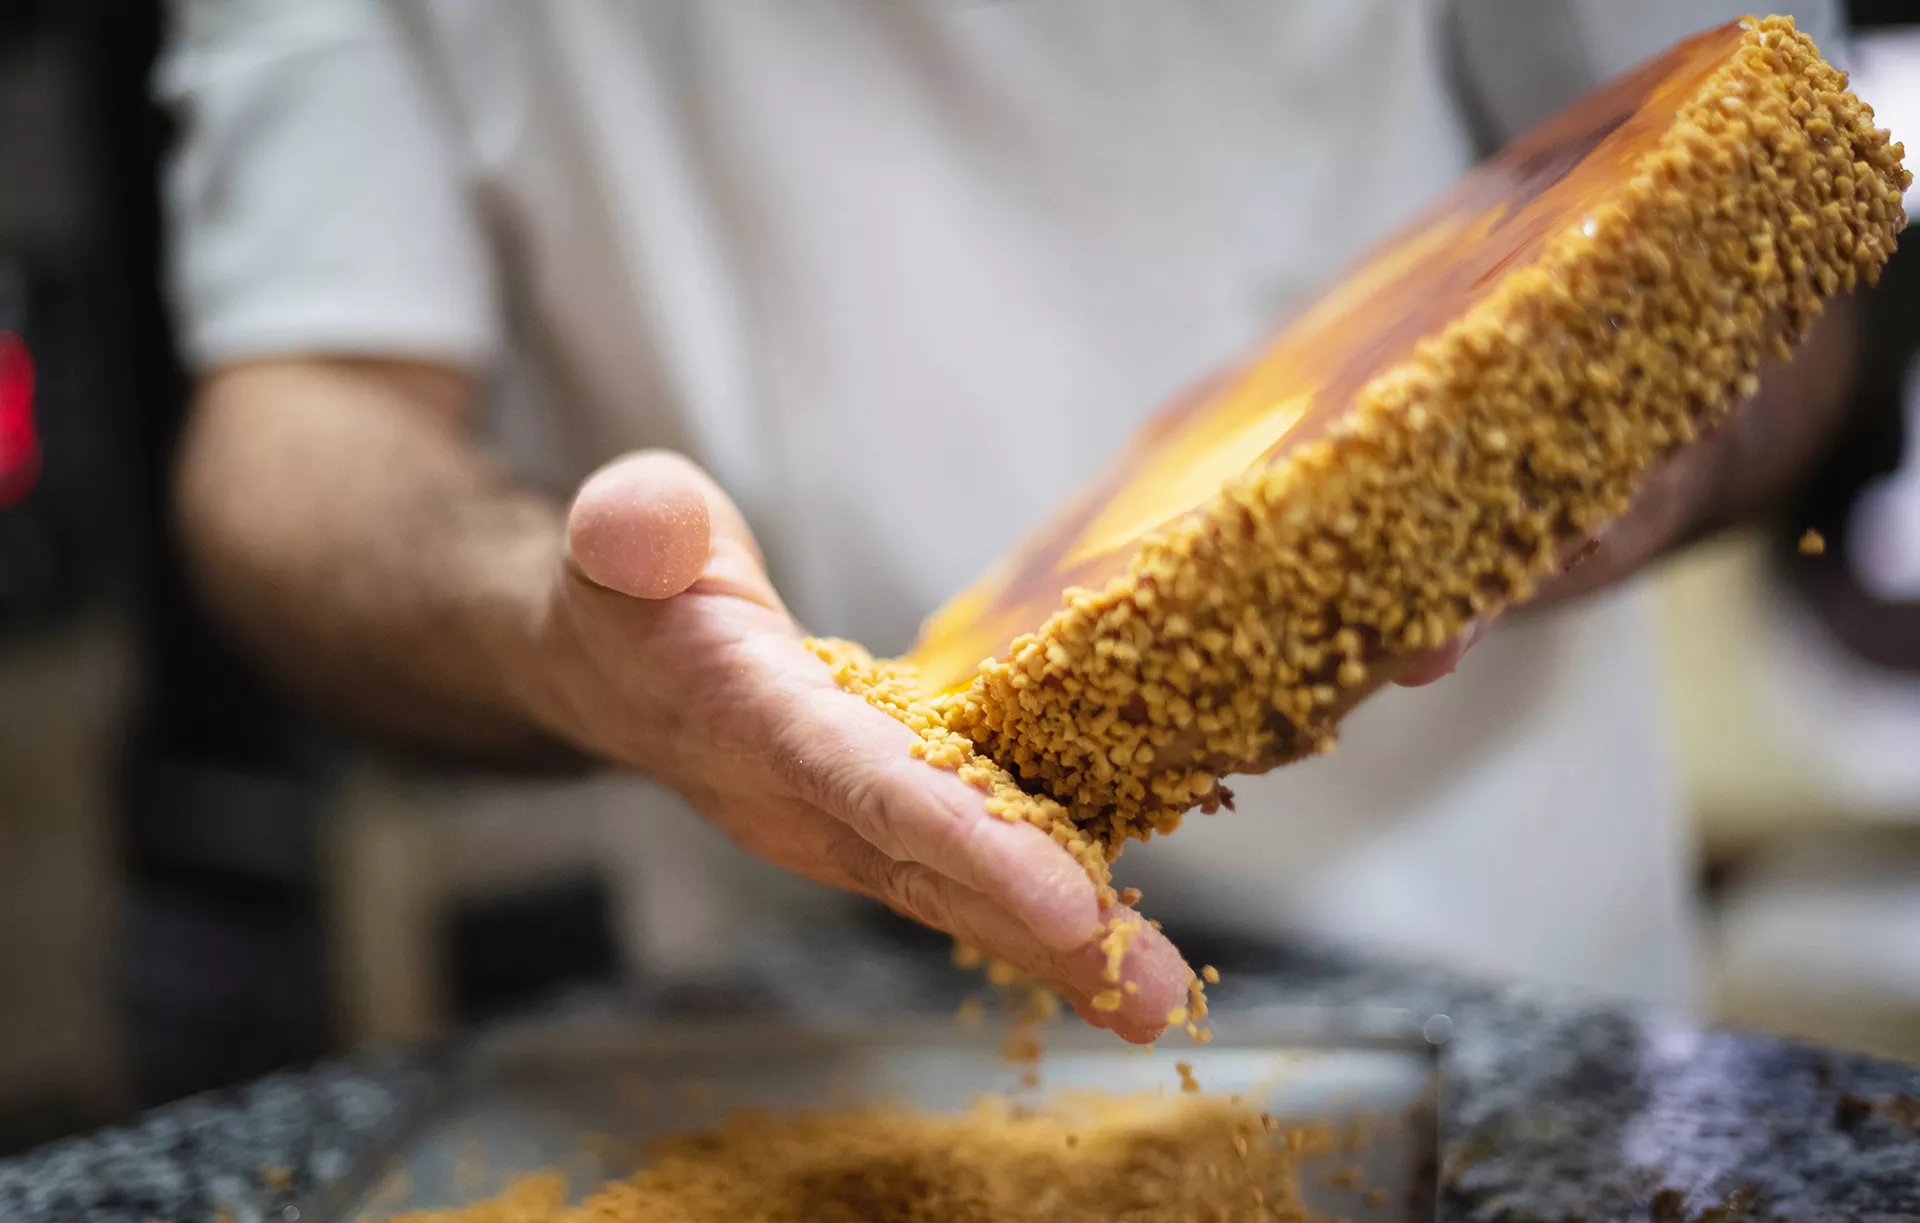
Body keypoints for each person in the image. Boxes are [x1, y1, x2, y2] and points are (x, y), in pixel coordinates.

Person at [156, 0, 1855, 1042]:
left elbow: (1772, 192)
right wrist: (563, 629)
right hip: (804, 1011)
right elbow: (299, 421)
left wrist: (1590, 444)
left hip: (1501, 960)